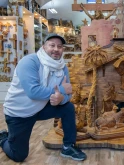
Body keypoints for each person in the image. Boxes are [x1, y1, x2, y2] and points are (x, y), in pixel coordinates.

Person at [0, 33, 86, 162]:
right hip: (19, 113)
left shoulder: (62, 67)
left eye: (60, 46)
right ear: (44, 47)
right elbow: (33, 92)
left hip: (40, 108)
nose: (56, 49)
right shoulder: (29, 62)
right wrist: (61, 90)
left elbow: (68, 95)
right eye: (52, 45)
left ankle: (68, 146)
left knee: (68, 108)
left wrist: (61, 98)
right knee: (18, 155)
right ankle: (3, 138)